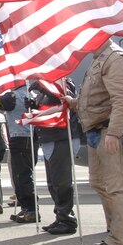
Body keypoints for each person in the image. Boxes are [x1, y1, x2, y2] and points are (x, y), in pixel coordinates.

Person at [65, 39, 123, 245]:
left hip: (108, 130)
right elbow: (97, 97)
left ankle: (118, 239)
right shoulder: (99, 59)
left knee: (116, 185)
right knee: (99, 183)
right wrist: (74, 102)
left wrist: (115, 132)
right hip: (96, 130)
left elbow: (122, 99)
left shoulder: (116, 59)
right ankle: (117, 231)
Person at [30, 79, 80, 235]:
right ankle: (61, 216)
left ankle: (67, 219)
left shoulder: (62, 83)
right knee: (53, 182)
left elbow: (66, 97)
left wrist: (44, 87)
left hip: (62, 138)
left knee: (61, 182)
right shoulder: (44, 92)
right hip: (50, 139)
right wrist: (34, 105)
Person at [0, 87, 39, 223]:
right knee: (24, 175)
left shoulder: (12, 96)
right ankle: (27, 208)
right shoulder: (31, 94)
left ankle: (31, 211)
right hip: (30, 138)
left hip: (20, 137)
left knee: (22, 177)